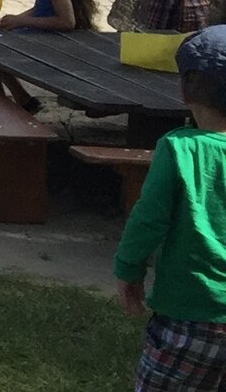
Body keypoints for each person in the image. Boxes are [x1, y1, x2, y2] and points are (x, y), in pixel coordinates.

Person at [115, 25, 226, 391]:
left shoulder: (180, 149)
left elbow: (148, 218)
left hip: (189, 315)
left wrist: (129, 269)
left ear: (183, 90)